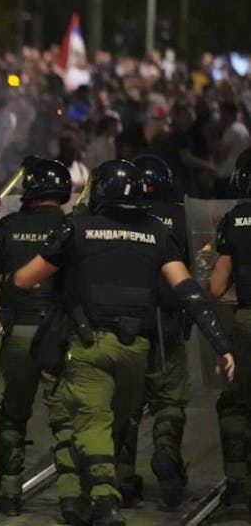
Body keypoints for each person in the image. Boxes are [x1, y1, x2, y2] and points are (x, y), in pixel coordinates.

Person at [14, 159, 235, 526]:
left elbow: (25, 279)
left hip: (88, 346)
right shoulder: (155, 234)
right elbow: (189, 293)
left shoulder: (78, 228)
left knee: (94, 422)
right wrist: (220, 342)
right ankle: (109, 487)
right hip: (138, 350)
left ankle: (104, 501)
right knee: (117, 421)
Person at [0, 157, 78, 516]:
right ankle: (71, 497)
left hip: (18, 332)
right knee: (64, 417)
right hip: (58, 336)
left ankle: (10, 494)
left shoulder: (7, 227)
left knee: (12, 415)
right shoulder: (71, 226)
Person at [116, 154, 192, 508]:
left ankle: (123, 478)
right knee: (170, 399)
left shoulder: (124, 218)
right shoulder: (181, 217)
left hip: (128, 323)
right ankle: (165, 449)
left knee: (128, 403)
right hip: (169, 324)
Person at [209, 163, 251, 510]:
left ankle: (238, 483)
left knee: (236, 402)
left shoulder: (235, 220)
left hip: (247, 322)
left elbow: (216, 286)